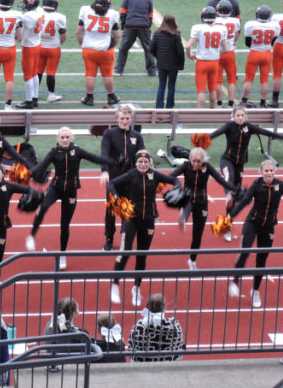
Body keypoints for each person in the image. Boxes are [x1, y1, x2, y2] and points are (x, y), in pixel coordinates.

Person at [227, 160, 283, 308]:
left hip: (268, 227)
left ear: (275, 171)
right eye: (266, 171)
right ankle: (235, 281)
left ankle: (255, 291)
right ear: (261, 172)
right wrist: (230, 216)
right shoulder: (256, 185)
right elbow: (244, 202)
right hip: (252, 223)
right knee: (244, 252)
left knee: (261, 260)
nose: (269, 173)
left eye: (271, 170)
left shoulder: (280, 185)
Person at [26, 127, 112, 270]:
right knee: (43, 208)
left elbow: (94, 158)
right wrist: (28, 173)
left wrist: (110, 164)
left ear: (71, 138)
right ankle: (32, 235)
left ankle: (62, 254)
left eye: (67, 137)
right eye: (62, 137)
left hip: (71, 191)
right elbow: (40, 166)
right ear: (58, 139)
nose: (65, 140)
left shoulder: (77, 151)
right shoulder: (54, 152)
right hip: (55, 188)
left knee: (64, 224)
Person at [209, 104, 283, 241]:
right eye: (238, 115)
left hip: (240, 164)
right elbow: (214, 134)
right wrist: (202, 140)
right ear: (233, 116)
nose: (240, 118)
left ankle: (227, 226)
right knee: (229, 181)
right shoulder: (228, 126)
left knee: (235, 199)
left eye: (242, 115)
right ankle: (228, 194)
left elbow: (268, 133)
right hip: (227, 160)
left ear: (246, 116)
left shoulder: (250, 127)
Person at [107, 150, 180, 307]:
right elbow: (111, 183)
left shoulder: (155, 175)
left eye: (146, 162)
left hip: (148, 219)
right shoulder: (131, 174)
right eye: (140, 162)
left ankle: (136, 287)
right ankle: (114, 284)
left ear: (150, 163)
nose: (143, 164)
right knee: (124, 251)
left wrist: (177, 189)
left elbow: (175, 180)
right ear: (136, 163)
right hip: (131, 218)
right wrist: (116, 197)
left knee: (142, 255)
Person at [169, 147, 234, 269]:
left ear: (202, 160)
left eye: (198, 161)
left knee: (197, 235)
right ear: (190, 159)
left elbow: (220, 180)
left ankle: (192, 260)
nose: (195, 164)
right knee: (186, 202)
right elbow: (171, 176)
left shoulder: (207, 167)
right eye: (193, 161)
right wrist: (173, 185)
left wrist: (233, 188)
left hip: (201, 203)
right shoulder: (185, 166)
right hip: (187, 198)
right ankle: (184, 215)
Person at [100, 104, 145, 250]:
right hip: (113, 179)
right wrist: (105, 171)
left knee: (128, 210)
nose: (124, 121)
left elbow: (141, 155)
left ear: (131, 119)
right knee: (111, 209)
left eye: (127, 118)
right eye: (122, 118)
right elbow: (104, 154)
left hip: (130, 179)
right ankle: (109, 238)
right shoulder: (109, 133)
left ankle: (125, 236)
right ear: (117, 119)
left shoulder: (137, 136)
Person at [77, 0, 121, 106]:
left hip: (89, 49)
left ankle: (89, 98)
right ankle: (111, 97)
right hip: (105, 50)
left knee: (90, 74)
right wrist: (112, 45)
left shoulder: (86, 10)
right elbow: (117, 36)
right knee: (107, 74)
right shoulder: (112, 14)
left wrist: (83, 44)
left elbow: (79, 32)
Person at [185, 6, 228, 108]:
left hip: (202, 62)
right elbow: (226, 49)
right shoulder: (221, 28)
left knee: (201, 90)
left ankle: (200, 111)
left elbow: (188, 46)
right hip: (214, 62)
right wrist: (215, 54)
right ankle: (212, 108)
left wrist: (190, 55)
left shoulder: (198, 28)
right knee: (212, 88)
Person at [114, 0, 156, 77]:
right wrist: (148, 25)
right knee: (148, 49)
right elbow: (150, 14)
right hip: (144, 27)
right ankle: (152, 71)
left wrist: (123, 25)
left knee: (123, 48)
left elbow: (123, 13)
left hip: (130, 26)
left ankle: (118, 70)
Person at [241, 5, 279, 107]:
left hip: (254, 53)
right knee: (264, 80)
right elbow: (272, 42)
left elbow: (247, 43)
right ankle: (262, 103)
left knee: (249, 79)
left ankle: (244, 101)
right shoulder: (275, 26)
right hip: (266, 54)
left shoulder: (250, 25)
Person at [128, 293, 184, 361]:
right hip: (170, 365)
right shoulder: (174, 325)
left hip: (142, 366)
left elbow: (130, 347)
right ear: (164, 307)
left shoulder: (138, 326)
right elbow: (180, 347)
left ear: (147, 307)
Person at [147, 14, 184, 108]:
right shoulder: (176, 35)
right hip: (173, 65)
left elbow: (151, 49)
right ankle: (170, 106)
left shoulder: (157, 33)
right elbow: (180, 52)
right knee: (171, 86)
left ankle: (159, 107)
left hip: (161, 64)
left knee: (161, 86)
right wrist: (180, 63)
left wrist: (158, 57)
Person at [37, 0, 67, 103]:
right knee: (51, 72)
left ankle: (34, 93)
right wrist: (58, 43)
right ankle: (51, 95)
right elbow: (63, 36)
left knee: (38, 71)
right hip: (53, 47)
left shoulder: (38, 13)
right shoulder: (60, 17)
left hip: (39, 46)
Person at [16, 0, 43, 109]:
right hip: (37, 44)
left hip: (29, 47)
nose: (23, 4)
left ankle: (29, 101)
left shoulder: (28, 16)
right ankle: (35, 98)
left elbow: (21, 36)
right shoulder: (40, 11)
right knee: (34, 73)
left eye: (24, 2)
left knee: (28, 75)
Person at [215, 0, 241, 107]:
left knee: (218, 80)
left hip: (218, 52)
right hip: (229, 51)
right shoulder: (235, 21)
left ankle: (219, 104)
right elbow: (236, 36)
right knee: (231, 80)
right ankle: (231, 104)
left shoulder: (214, 20)